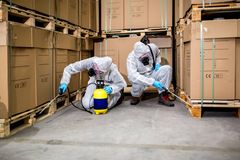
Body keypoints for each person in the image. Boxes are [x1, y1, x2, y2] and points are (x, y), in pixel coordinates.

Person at [58, 56, 127, 109]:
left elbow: (121, 83)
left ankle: (119, 95)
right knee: (86, 105)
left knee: (103, 105)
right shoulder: (90, 62)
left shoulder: (112, 70)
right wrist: (64, 82)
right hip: (94, 82)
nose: (94, 70)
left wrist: (111, 88)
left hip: (108, 85)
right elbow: (69, 68)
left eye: (98, 71)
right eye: (94, 67)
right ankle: (93, 97)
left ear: (105, 70)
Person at [127, 41, 174, 107]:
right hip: (141, 77)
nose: (144, 58)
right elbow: (133, 76)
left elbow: (158, 53)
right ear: (136, 55)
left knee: (167, 69)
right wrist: (152, 82)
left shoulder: (152, 48)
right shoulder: (131, 58)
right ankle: (135, 96)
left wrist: (157, 63)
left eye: (145, 55)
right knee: (136, 83)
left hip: (152, 72)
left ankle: (162, 95)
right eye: (141, 57)